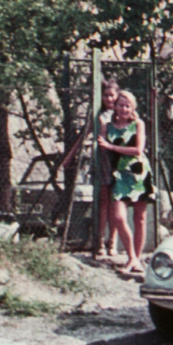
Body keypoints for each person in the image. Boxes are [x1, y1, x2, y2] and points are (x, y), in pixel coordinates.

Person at [62, 77, 121, 258]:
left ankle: (114, 243)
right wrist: (70, 157)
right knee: (103, 204)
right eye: (106, 95)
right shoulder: (99, 117)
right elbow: (83, 136)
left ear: (117, 95)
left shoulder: (123, 114)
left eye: (112, 95)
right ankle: (100, 242)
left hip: (120, 161)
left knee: (116, 205)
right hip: (103, 161)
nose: (109, 99)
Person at [98, 88, 155, 274]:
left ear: (133, 108)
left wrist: (111, 146)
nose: (124, 109)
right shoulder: (108, 126)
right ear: (115, 107)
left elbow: (138, 150)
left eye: (127, 106)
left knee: (140, 218)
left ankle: (135, 261)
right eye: (121, 105)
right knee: (118, 217)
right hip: (120, 176)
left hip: (139, 174)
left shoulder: (138, 124)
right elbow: (101, 148)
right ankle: (131, 256)